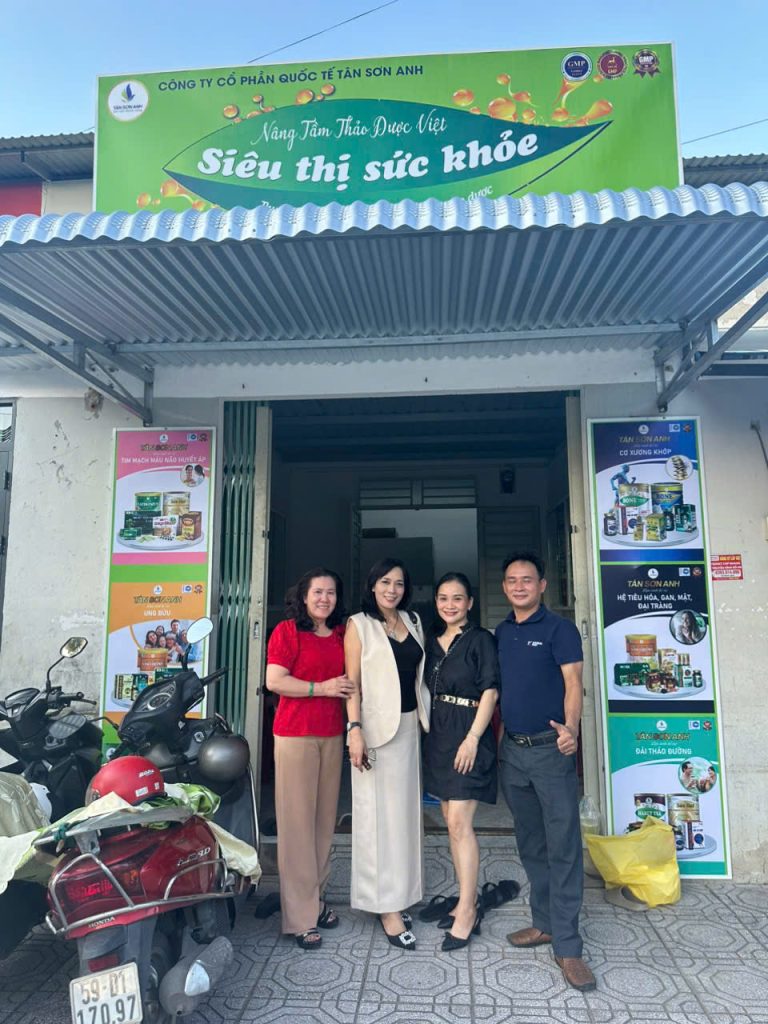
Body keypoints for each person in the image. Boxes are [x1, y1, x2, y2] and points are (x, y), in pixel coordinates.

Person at [496, 552, 596, 993]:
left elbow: (574, 684)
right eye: (512, 580)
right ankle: (544, 924)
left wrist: (571, 730)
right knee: (531, 843)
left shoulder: (559, 629)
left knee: (563, 847)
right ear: (505, 587)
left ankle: (569, 946)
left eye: (527, 580)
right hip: (513, 753)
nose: (519, 586)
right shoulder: (502, 632)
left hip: (550, 750)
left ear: (542, 585)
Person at [266, 568, 354, 950]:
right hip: (295, 735)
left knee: (322, 824)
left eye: (331, 593)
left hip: (331, 734)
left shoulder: (341, 634)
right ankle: (299, 917)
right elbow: (275, 680)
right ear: (304, 596)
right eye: (317, 592)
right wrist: (323, 688)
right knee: (297, 826)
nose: (324, 599)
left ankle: (315, 901)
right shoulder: (287, 632)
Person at [345, 558, 430, 950]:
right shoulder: (359, 624)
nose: (392, 589)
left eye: (398, 583)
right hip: (374, 732)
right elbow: (353, 684)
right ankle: (383, 905)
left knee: (404, 817)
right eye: (384, 582)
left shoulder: (413, 621)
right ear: (372, 585)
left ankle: (400, 894)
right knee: (376, 818)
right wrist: (354, 729)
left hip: (409, 728)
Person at [422, 572, 499, 951]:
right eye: (443, 598)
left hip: (469, 733)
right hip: (439, 735)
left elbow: (490, 691)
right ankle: (463, 899)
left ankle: (468, 909)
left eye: (457, 598)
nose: (450, 605)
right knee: (450, 824)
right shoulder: (432, 642)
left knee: (458, 822)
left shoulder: (480, 639)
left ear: (470, 602)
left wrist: (473, 739)